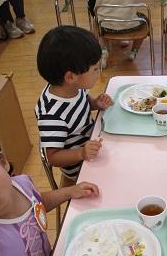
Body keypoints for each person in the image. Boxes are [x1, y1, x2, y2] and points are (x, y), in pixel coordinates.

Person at [35, 25, 113, 187]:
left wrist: (95, 103)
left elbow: (84, 101)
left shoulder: (74, 87)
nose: (99, 73)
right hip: (80, 169)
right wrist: (81, 153)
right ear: (70, 77)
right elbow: (53, 156)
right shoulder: (52, 115)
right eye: (95, 69)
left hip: (95, 145)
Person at [91, 0, 147, 68]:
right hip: (128, 22)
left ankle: (103, 50)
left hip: (105, 24)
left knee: (96, 23)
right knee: (145, 22)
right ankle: (133, 51)